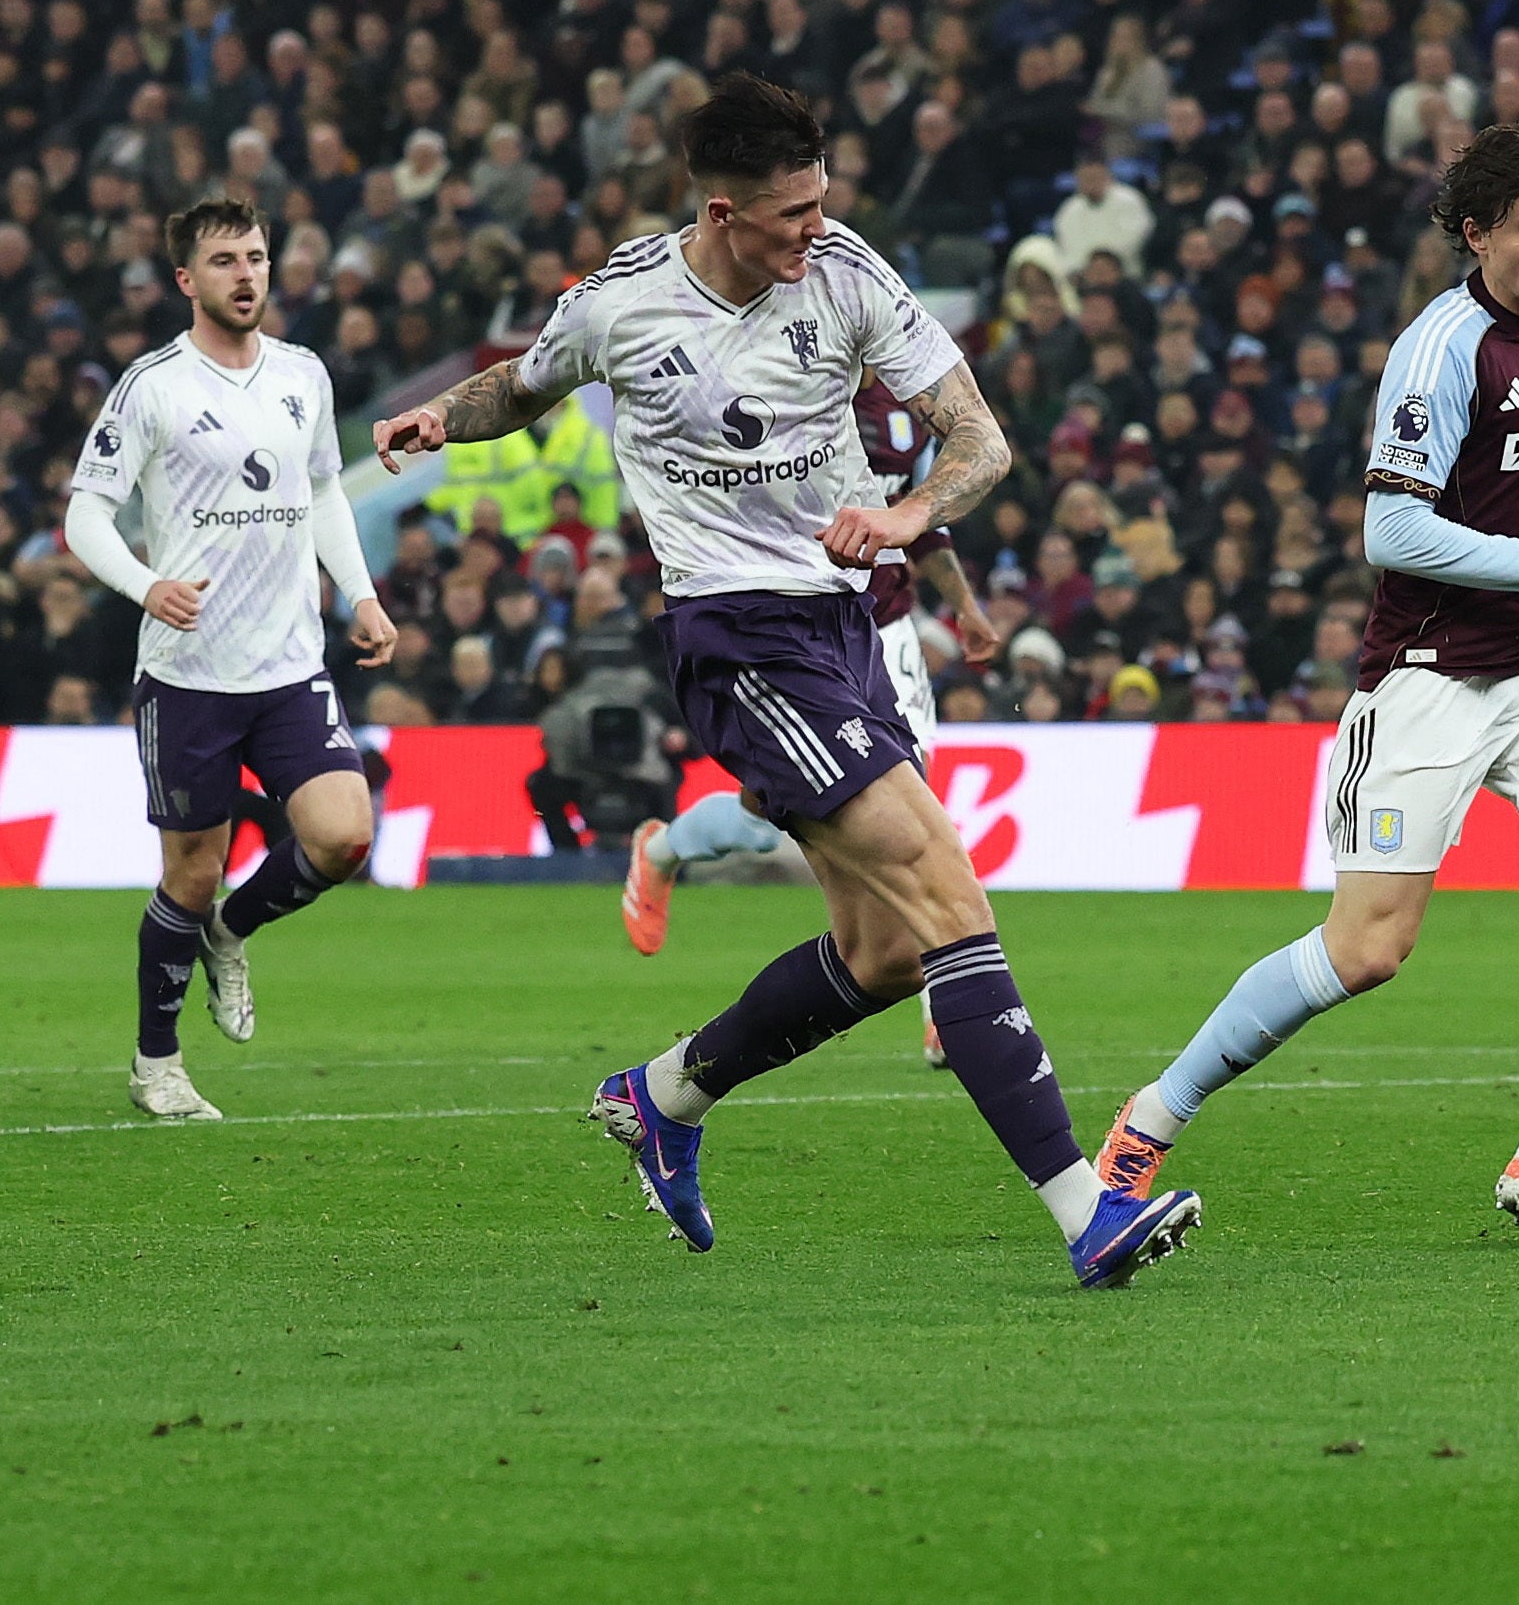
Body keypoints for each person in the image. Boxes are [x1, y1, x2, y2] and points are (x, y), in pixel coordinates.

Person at [371, 76, 1194, 1291]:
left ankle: (664, 1094)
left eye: (821, 200)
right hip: (738, 640)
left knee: (887, 948)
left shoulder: (848, 271)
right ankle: (1087, 1209)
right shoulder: (624, 300)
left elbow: (980, 437)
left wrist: (909, 512)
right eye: (792, 212)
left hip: (845, 629)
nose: (817, 226)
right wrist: (443, 413)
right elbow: (523, 383)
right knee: (946, 888)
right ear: (722, 212)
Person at [1094, 122, 1519, 1228]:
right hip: (1431, 671)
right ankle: (1154, 1114)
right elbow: (1391, 533)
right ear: (1477, 234)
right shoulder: (1441, 349)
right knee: (1367, 949)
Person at [62, 196, 398, 1121]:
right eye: (224, 261)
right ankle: (157, 1064)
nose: (245, 274)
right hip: (189, 673)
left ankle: (231, 931)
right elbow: (85, 513)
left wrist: (362, 594)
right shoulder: (153, 386)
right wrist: (145, 585)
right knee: (189, 874)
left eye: (254, 256)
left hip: (290, 667)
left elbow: (323, 491)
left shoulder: (303, 373)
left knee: (344, 837)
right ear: (186, 279)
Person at [622, 376, 1004, 1071]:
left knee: (915, 805)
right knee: (767, 812)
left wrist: (965, 607)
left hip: (885, 629)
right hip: (795, 631)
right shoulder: (780, 386)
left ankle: (946, 1010)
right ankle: (664, 850)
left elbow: (927, 518)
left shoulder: (905, 404)